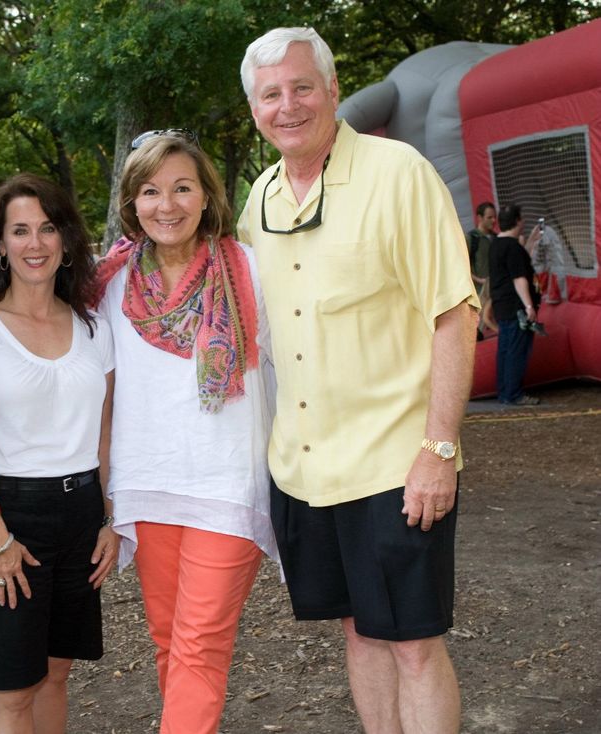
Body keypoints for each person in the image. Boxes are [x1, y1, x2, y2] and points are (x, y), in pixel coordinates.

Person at [238, 27, 479, 734]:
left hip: (395, 465)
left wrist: (438, 450)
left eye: (301, 87)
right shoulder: (259, 201)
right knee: (359, 631)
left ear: (334, 90)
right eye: (270, 94)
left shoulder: (397, 172)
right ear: (255, 109)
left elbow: (454, 313)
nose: (288, 106)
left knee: (413, 644)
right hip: (306, 470)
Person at [93, 130, 277, 734]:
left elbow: (291, 366)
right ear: (132, 202)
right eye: (150, 191)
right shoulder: (111, 283)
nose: (166, 205)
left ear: (206, 196)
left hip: (226, 485)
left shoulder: (249, 268)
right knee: (170, 642)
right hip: (146, 484)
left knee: (199, 646)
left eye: (181, 188)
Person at [0, 173, 119, 733]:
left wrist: (110, 518)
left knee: (56, 673)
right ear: (0, 245)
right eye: (19, 230)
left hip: (81, 515)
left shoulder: (94, 328)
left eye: (48, 228)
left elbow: (104, 433)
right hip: (11, 518)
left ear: (66, 240)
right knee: (14, 685)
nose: (35, 243)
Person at [489, 203, 541, 406]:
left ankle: (504, 391)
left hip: (502, 307)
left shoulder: (497, 245)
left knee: (505, 350)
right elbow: (519, 278)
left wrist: (531, 242)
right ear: (518, 221)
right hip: (516, 308)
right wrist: (529, 306)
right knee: (516, 351)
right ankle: (513, 394)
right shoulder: (512, 248)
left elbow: (516, 263)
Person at [467, 201, 498, 336]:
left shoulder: (496, 238)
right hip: (480, 294)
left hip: (496, 293)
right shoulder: (471, 238)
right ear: (479, 218)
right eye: (489, 217)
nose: (494, 220)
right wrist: (479, 280)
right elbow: (462, 267)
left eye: (494, 217)